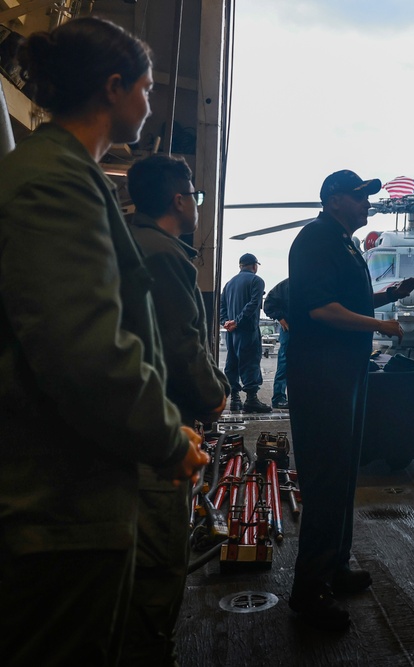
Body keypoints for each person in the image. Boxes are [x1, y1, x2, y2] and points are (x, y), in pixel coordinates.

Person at [0, 18, 208, 666]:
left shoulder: (61, 173)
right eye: (145, 87)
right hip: (59, 502)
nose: (150, 102)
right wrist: (168, 438)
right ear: (113, 89)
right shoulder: (55, 181)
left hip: (67, 491)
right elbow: (87, 350)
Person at [286, 169, 414, 629]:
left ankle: (335, 567)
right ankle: (310, 593)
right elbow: (320, 309)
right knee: (326, 479)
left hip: (346, 377)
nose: (368, 204)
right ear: (332, 199)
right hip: (322, 380)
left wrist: (392, 294)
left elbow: (352, 302)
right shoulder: (316, 239)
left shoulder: (345, 243)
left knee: (344, 474)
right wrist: (382, 326)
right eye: (359, 196)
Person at [125, 154, 230, 664]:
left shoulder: (125, 238)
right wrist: (215, 395)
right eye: (196, 195)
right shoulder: (164, 254)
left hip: (126, 426)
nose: (197, 204)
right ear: (179, 199)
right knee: (160, 564)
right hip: (159, 432)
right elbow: (182, 343)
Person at [220, 252, 269, 413]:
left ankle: (235, 399)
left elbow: (222, 307)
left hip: (231, 332)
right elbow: (254, 303)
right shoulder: (257, 280)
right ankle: (251, 400)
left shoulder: (228, 284)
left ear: (240, 266)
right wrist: (238, 321)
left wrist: (226, 322)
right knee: (250, 362)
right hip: (247, 330)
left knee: (232, 363)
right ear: (254, 266)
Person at [263, 277, 290, 410]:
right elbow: (268, 304)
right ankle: (278, 397)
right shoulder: (287, 285)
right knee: (285, 363)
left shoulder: (286, 284)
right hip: (291, 329)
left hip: (297, 329)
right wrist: (280, 317)